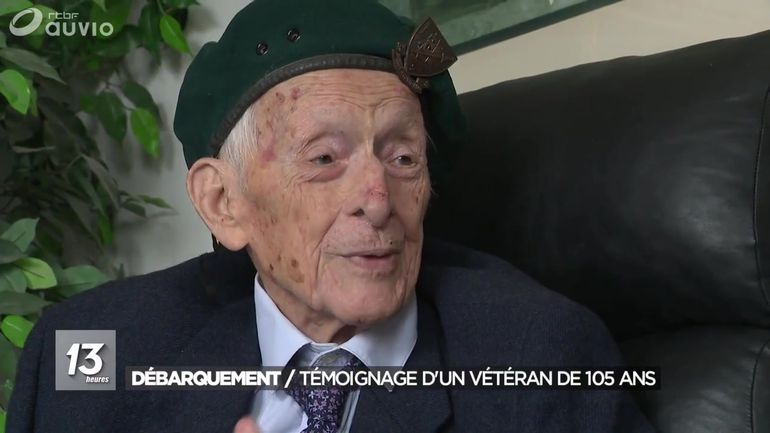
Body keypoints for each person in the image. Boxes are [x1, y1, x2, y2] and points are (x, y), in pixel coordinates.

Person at [7, 0, 656, 432]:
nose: (378, 198)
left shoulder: (540, 358)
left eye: (403, 157)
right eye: (323, 157)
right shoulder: (91, 348)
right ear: (224, 203)